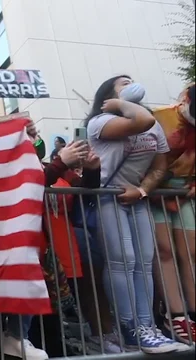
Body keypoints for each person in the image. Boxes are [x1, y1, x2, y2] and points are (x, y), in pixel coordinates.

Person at [85, 75, 187, 353]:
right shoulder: (100, 122)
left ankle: (148, 327)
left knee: (144, 261)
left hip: (136, 199)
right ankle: (131, 329)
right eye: (123, 83)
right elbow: (140, 122)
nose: (132, 85)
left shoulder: (152, 124)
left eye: (133, 81)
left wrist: (142, 191)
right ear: (107, 96)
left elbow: (159, 166)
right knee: (122, 260)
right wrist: (118, 103)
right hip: (108, 197)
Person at [151, 83, 196, 344]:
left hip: (185, 193)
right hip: (157, 192)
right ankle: (175, 314)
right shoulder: (161, 117)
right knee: (165, 250)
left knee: (190, 253)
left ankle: (192, 310)